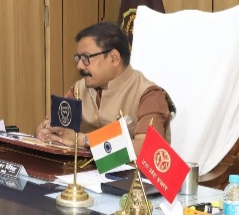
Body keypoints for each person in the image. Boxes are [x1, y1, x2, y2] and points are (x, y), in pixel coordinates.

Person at [35, 22, 170, 154]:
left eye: (86, 58)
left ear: (114, 58)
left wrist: (83, 140)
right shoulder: (79, 89)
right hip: (80, 169)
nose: (79, 66)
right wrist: (46, 130)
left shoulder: (149, 95)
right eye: (78, 58)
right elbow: (53, 127)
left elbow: (147, 150)